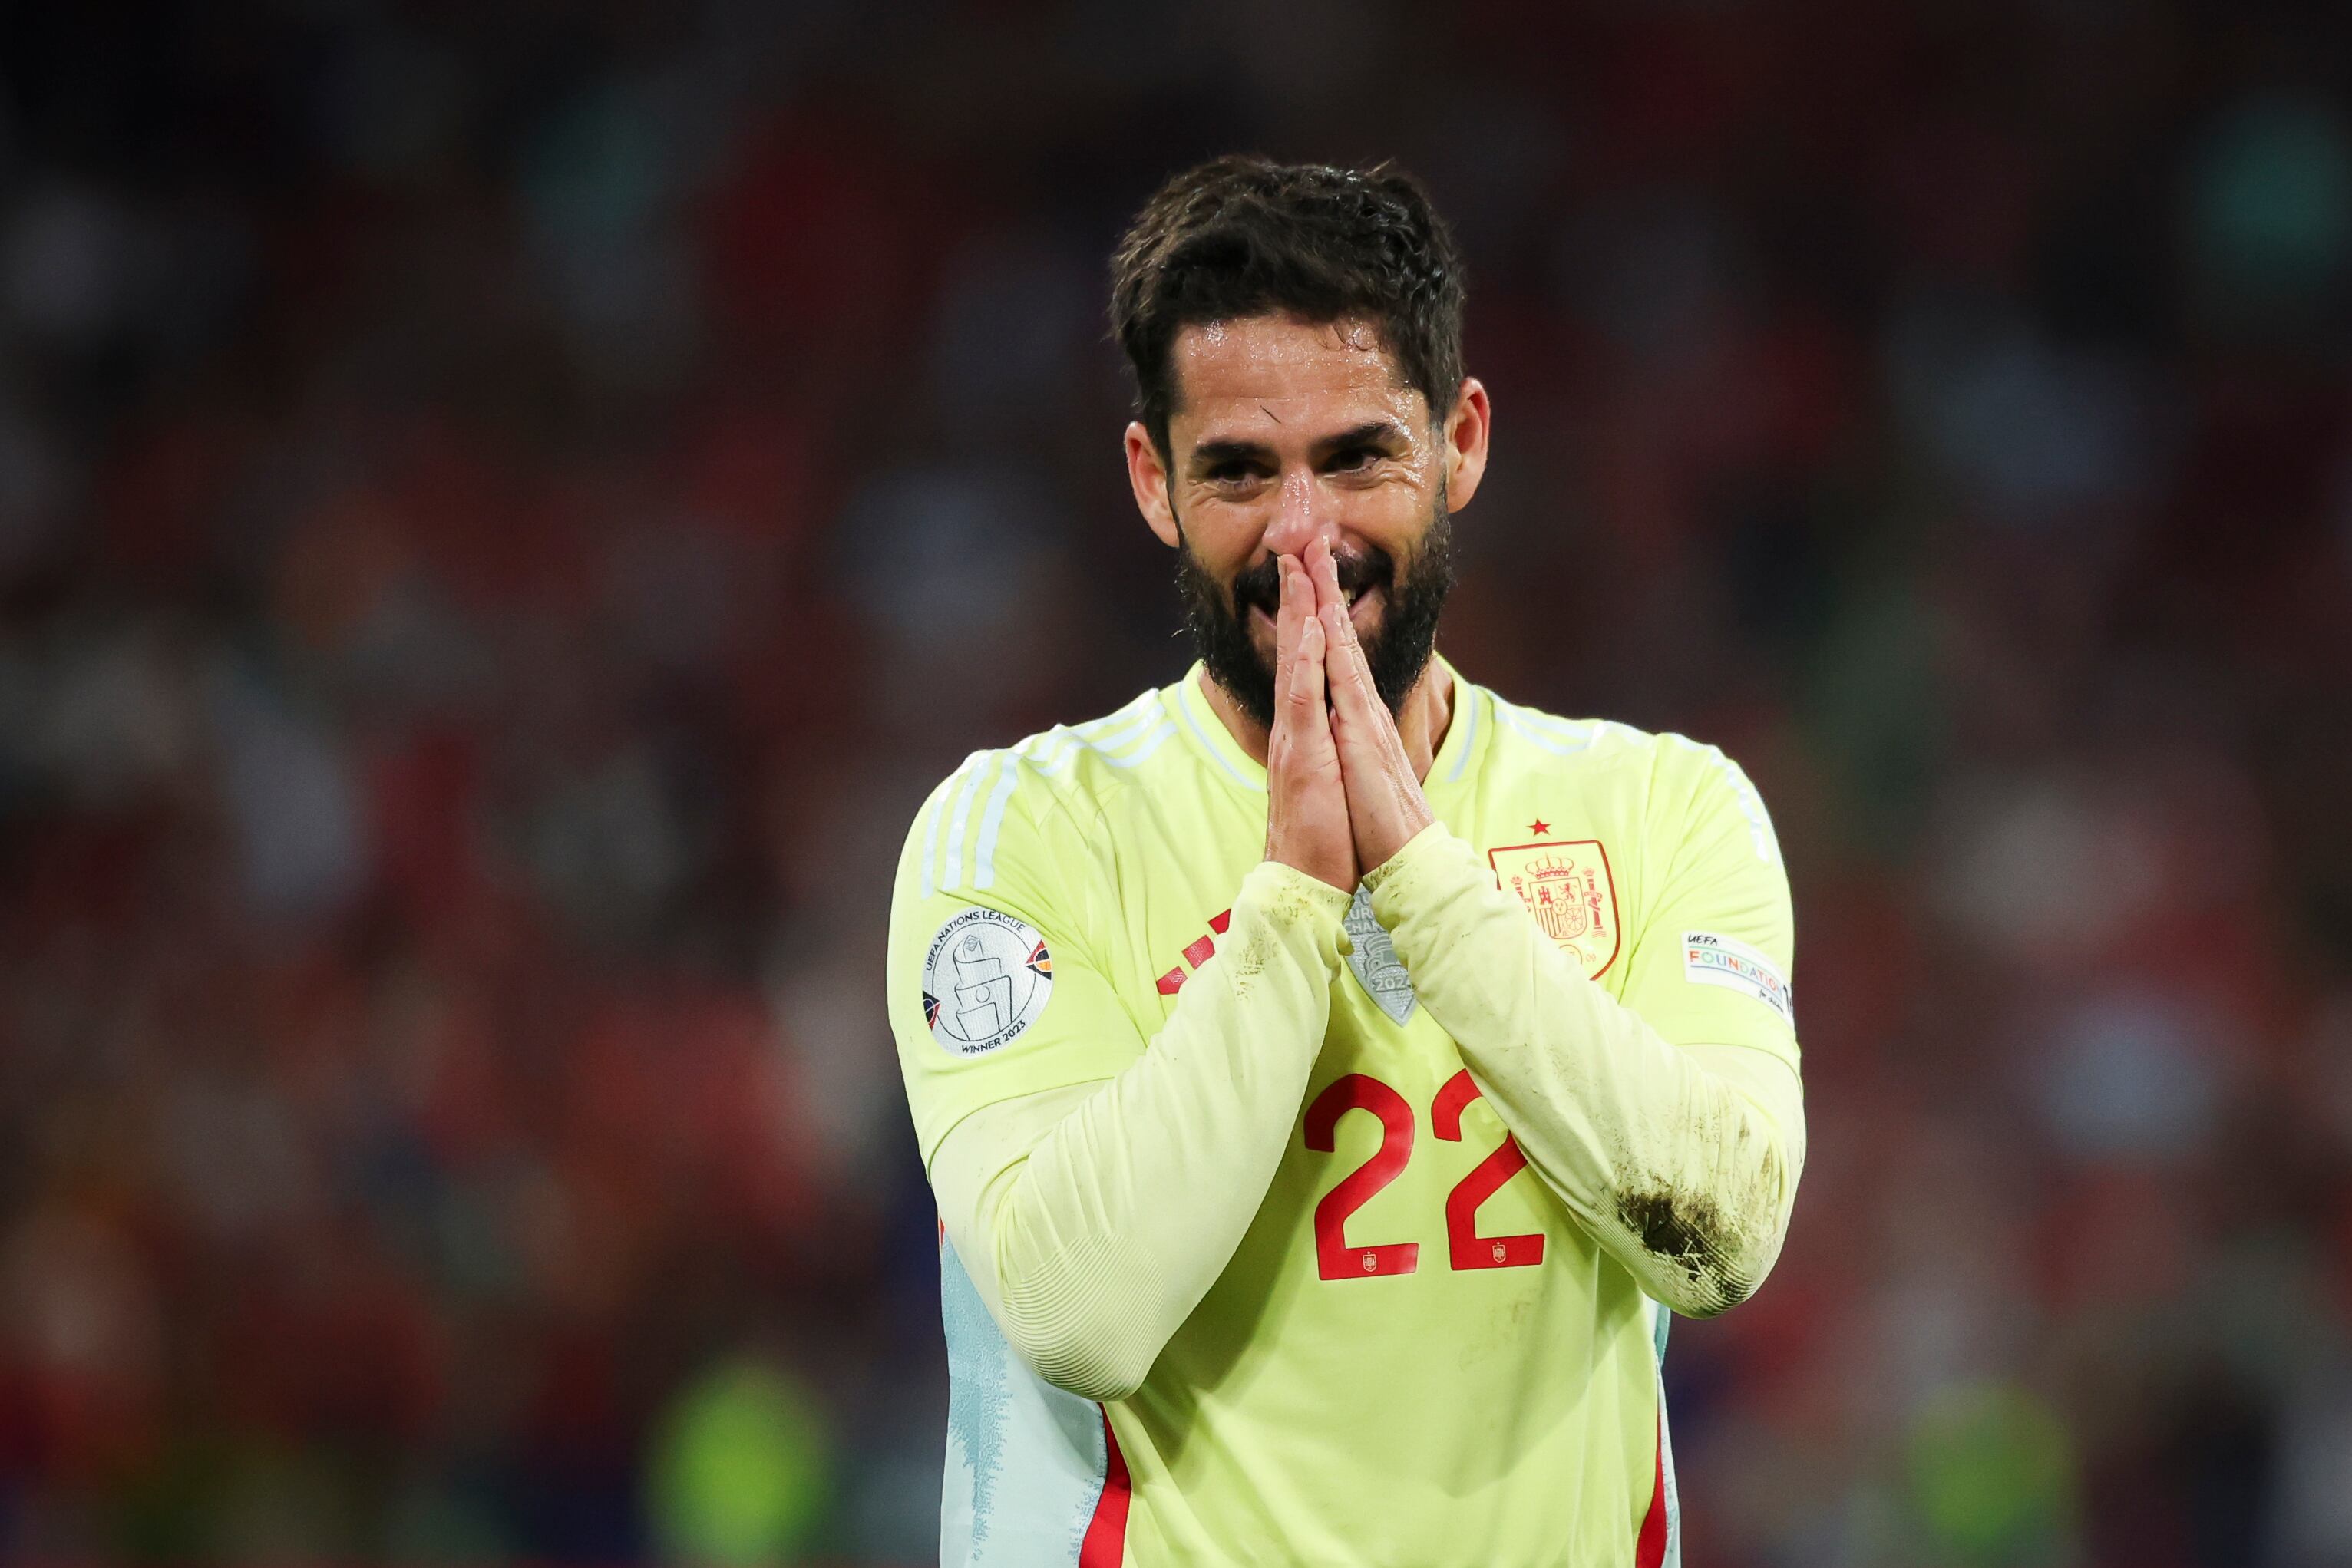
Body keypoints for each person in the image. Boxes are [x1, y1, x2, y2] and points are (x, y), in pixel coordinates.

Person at [885, 156, 1805, 1567]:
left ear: (1462, 443)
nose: (1305, 537)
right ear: (1152, 481)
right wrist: (1296, 901)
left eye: (1358, 455)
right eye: (1241, 472)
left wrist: (1426, 883)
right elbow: (1081, 1314)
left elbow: (1722, 1240)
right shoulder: (1016, 838)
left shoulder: (1667, 811)